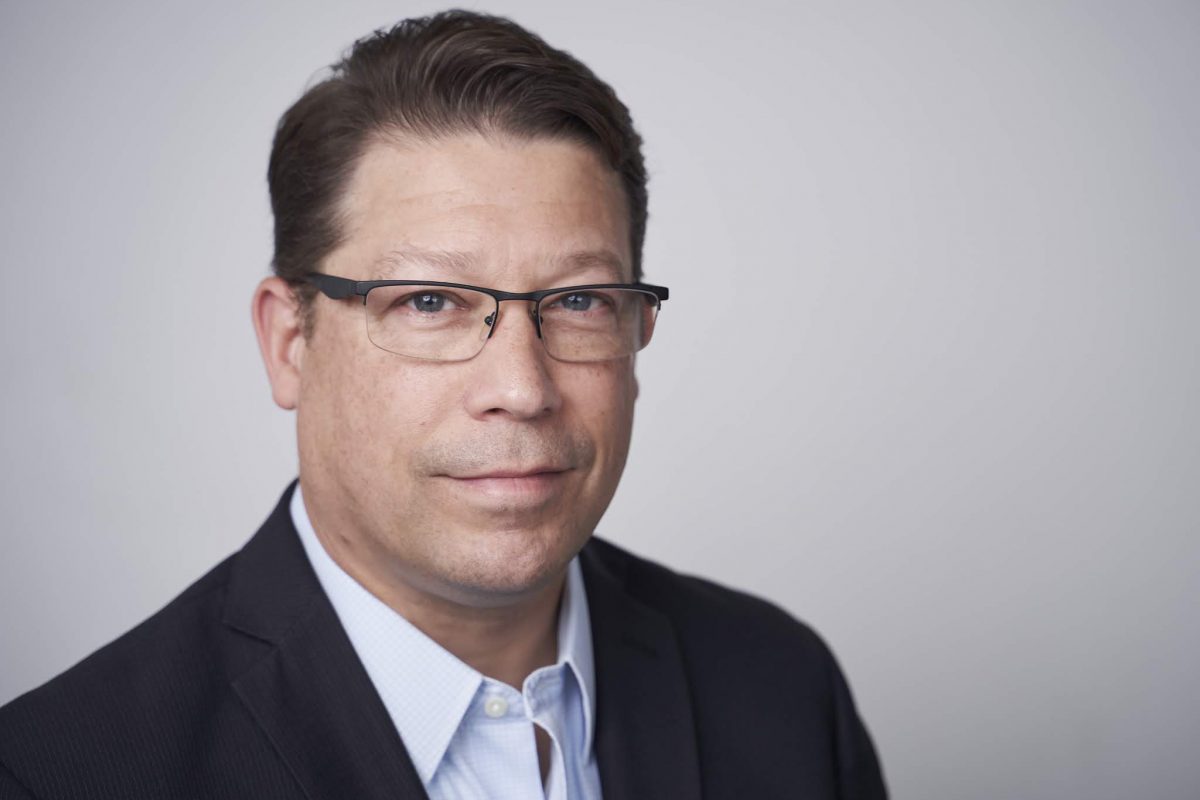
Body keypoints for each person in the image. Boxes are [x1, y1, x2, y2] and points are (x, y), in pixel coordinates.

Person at [0, 10, 886, 799]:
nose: (520, 389)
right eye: (429, 302)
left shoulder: (780, 687)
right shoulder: (63, 772)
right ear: (289, 343)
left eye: (579, 301)